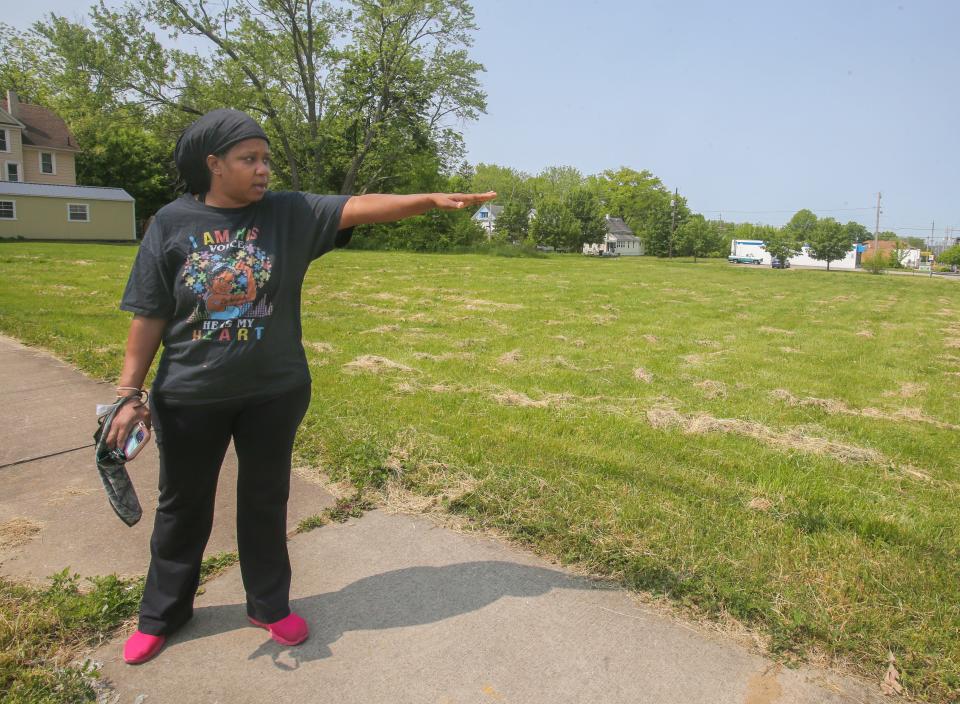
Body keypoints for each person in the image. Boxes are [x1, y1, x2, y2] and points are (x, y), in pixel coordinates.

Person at [107, 108, 495, 664]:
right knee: (182, 506)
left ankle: (268, 605)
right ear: (213, 164)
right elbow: (148, 313)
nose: (263, 169)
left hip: (274, 391)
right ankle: (163, 613)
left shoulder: (287, 213)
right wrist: (129, 392)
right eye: (249, 159)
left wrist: (429, 200)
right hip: (190, 394)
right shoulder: (171, 222)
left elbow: (357, 207)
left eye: (265, 158)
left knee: (265, 500)